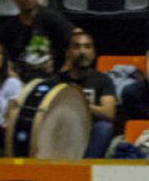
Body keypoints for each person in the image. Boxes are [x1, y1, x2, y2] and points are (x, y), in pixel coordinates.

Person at [48, 29, 116, 159]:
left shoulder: (103, 80)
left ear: (94, 53)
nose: (82, 51)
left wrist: (81, 104)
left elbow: (109, 113)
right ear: (68, 53)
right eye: (77, 47)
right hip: (62, 132)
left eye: (87, 47)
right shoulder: (56, 81)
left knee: (104, 128)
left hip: (90, 134)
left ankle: (83, 167)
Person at [0, 0, 74, 81]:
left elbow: (77, 37)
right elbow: (5, 57)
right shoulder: (9, 27)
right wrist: (12, 75)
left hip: (53, 79)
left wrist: (66, 69)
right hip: (21, 82)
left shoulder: (51, 18)